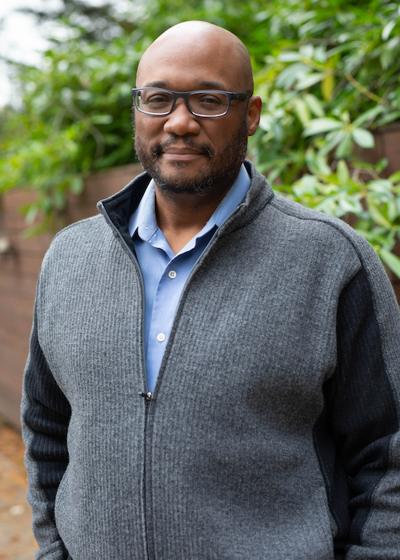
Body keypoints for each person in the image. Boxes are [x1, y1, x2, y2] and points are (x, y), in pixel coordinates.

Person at [22, 20, 400, 560]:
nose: (179, 122)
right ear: (137, 110)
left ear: (251, 114)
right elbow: (45, 426)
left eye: (208, 100)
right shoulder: (69, 258)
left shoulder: (330, 260)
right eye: (158, 99)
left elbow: (387, 452)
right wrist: (54, 549)